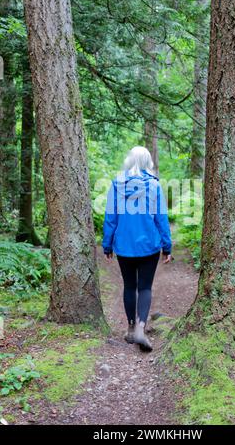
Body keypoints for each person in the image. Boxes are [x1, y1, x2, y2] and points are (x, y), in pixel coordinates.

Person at [102, 146, 172, 351]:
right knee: (145, 287)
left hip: (124, 245)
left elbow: (110, 217)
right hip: (149, 245)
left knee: (129, 286)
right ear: (147, 162)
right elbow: (161, 218)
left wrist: (107, 244)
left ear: (129, 161)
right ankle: (141, 327)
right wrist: (167, 246)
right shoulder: (154, 185)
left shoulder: (117, 184)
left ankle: (131, 328)